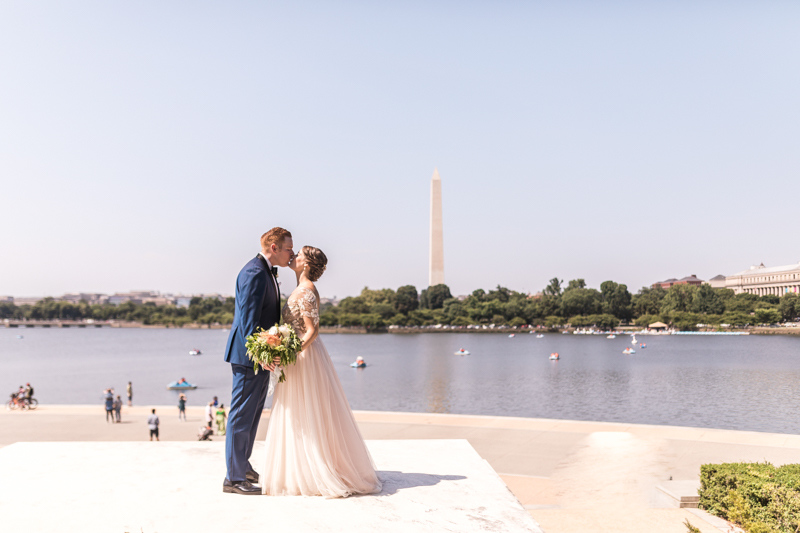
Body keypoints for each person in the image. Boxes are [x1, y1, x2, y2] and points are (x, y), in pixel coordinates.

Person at [261, 246, 382, 497]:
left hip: (304, 357)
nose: (294, 256)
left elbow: (312, 330)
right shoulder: (300, 288)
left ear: (306, 265)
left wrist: (290, 352)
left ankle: (312, 471)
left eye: (299, 255)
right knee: (296, 413)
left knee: (305, 413)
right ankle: (297, 470)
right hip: (298, 354)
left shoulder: (306, 291)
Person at [223, 227, 293, 495]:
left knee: (251, 416)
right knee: (241, 416)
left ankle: (242, 465)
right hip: (249, 357)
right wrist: (261, 355)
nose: (291, 253)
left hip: (259, 357)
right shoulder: (254, 272)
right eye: (288, 248)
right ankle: (233, 478)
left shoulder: (266, 272)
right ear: (273, 248)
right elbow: (248, 321)